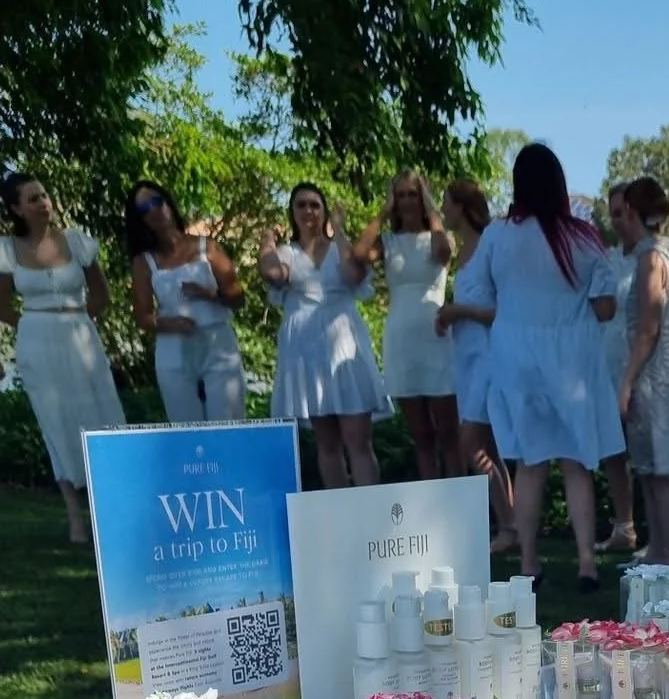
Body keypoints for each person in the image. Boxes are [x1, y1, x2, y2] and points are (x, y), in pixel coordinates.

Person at [471, 143, 623, 590]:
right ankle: (586, 565)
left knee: (530, 465)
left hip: (517, 358)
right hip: (571, 358)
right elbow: (608, 305)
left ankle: (529, 565)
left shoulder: (498, 236)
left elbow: (481, 292)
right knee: (577, 464)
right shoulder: (582, 235)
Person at [0, 170, 125, 543]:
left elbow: (101, 294)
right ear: (17, 209)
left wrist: (80, 321)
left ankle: (113, 507)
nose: (43, 203)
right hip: (37, 339)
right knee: (55, 420)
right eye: (33, 199)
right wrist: (31, 323)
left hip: (80, 333)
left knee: (101, 413)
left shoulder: (77, 242)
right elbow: (1, 303)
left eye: (44, 196)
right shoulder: (7, 250)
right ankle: (74, 514)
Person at [259, 182, 388, 489]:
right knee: (327, 443)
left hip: (342, 342)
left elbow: (351, 275)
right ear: (292, 211)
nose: (308, 211)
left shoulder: (339, 248)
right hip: (305, 350)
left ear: (324, 211)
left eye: (315, 205)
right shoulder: (286, 254)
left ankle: (373, 516)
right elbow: (272, 275)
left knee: (358, 439)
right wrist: (265, 240)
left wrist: (339, 231)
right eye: (301, 204)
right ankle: (341, 518)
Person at [352, 172, 460, 479]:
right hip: (401, 339)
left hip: (436, 336)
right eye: (401, 195)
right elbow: (359, 255)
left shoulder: (439, 236)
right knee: (422, 436)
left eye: (413, 194)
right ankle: (432, 505)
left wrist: (432, 213)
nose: (407, 201)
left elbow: (443, 253)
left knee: (449, 433)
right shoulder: (388, 243)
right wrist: (383, 213)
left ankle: (462, 504)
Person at [615, 177, 669, 570]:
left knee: (662, 475)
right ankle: (658, 552)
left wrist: (626, 381)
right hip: (660, 379)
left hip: (654, 380)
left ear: (632, 210)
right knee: (650, 471)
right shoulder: (664, 253)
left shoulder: (651, 260)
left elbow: (648, 329)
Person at [435, 179, 516, 550]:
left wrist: (459, 310)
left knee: (472, 443)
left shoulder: (489, 248)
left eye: (447, 204)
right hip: (465, 359)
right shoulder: (461, 251)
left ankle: (508, 526)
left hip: (490, 357)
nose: (443, 210)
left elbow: (504, 310)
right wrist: (449, 318)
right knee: (489, 447)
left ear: (463, 207)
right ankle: (510, 526)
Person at [124, 180, 246, 425]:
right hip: (173, 346)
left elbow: (238, 298)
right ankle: (195, 466)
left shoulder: (206, 247)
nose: (153, 210)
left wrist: (209, 294)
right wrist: (170, 324)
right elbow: (143, 318)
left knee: (228, 424)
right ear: (140, 220)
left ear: (168, 203)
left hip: (217, 342)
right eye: (144, 208)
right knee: (185, 427)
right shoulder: (144, 262)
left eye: (156, 201)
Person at [596, 181, 637, 556]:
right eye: (614, 214)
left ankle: (659, 536)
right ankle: (624, 526)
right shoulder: (608, 259)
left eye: (623, 213)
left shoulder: (650, 258)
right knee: (613, 450)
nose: (618, 221)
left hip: (639, 366)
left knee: (645, 454)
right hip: (607, 364)